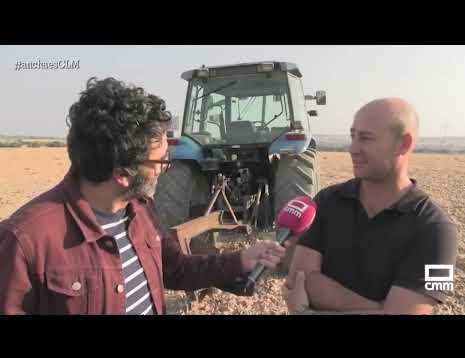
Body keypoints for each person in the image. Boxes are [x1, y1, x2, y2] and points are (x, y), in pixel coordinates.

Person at [0, 77, 286, 315]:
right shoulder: (25, 242)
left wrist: (241, 261)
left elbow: (173, 268)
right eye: (162, 162)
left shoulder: (140, 209)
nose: (166, 169)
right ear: (122, 173)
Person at [282, 98, 458, 315]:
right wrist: (379, 309)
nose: (352, 148)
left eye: (365, 138)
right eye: (352, 136)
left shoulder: (438, 230)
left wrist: (306, 312)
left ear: (404, 144)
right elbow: (300, 279)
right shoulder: (327, 201)